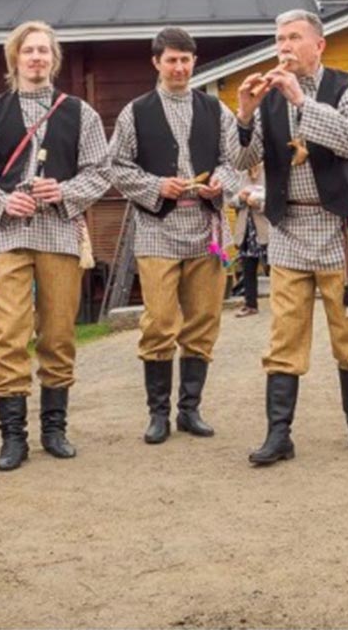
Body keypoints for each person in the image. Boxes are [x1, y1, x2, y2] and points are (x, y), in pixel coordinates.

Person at [234, 9, 348, 465]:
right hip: (289, 228)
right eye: (280, 38)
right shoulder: (268, 96)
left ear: (319, 45)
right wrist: (245, 115)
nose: (284, 46)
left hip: (343, 228)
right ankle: (278, 434)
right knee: (285, 335)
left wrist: (301, 101)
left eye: (294, 37)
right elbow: (242, 161)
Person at [0, 20, 110, 471]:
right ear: (15, 58)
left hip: (59, 234)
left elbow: (100, 172)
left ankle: (54, 430)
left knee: (59, 333)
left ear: (53, 59)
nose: (37, 58)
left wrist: (63, 191)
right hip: (8, 235)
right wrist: (3, 201)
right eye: (29, 51)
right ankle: (13, 437)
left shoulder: (80, 113)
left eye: (44, 50)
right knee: (7, 334)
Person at [108, 26, 240, 444]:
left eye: (185, 60)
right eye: (171, 60)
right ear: (157, 62)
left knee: (203, 319)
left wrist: (220, 182)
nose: (179, 67)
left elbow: (234, 162)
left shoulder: (216, 110)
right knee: (160, 321)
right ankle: (158, 414)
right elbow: (116, 166)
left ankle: (190, 410)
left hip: (206, 227)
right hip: (157, 228)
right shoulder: (135, 112)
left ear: (194, 61)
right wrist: (155, 185)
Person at [231, 163, 268, 317]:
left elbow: (276, 200)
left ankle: (281, 302)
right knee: (248, 267)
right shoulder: (240, 175)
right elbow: (230, 201)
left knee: (274, 267)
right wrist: (240, 198)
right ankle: (250, 304)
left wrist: (259, 203)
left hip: (265, 228)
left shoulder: (268, 171)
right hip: (246, 229)